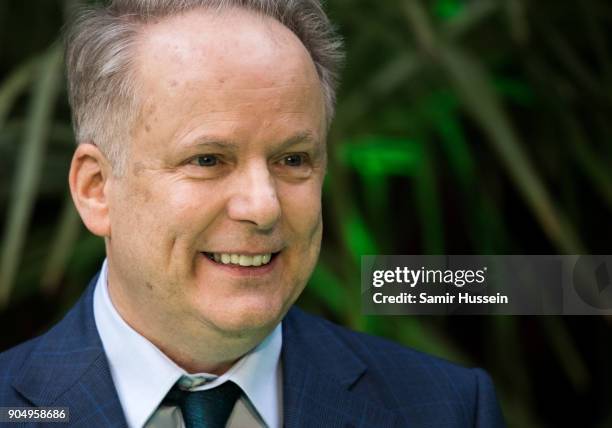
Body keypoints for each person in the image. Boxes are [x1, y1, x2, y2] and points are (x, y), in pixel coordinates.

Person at [0, 1, 505, 426]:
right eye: (208, 160)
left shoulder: (448, 409)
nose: (263, 206)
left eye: (292, 160)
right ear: (96, 190)